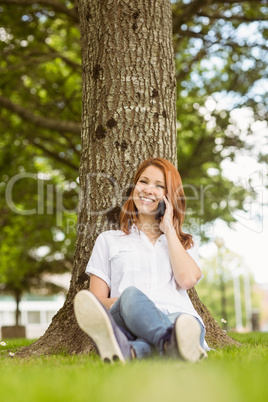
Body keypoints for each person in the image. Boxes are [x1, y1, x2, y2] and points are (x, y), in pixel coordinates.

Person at [74, 157, 208, 363]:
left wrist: (169, 230)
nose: (148, 189)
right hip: (128, 317)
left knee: (180, 326)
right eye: (143, 182)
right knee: (131, 294)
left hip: (179, 319)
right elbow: (95, 303)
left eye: (159, 186)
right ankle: (174, 344)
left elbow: (187, 280)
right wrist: (135, 305)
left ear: (169, 197)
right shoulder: (109, 240)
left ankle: (133, 351)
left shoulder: (184, 243)